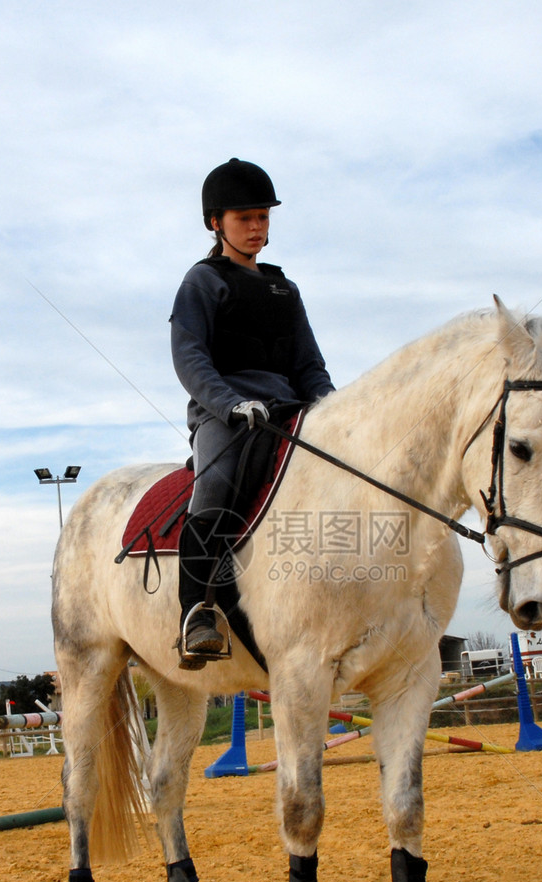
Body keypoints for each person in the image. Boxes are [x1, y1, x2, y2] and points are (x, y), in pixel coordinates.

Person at [170, 157, 335, 665]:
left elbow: (308, 363)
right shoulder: (202, 281)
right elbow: (189, 356)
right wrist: (229, 405)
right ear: (215, 222)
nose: (257, 228)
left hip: (288, 411)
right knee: (216, 487)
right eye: (246, 218)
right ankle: (198, 612)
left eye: (264, 217)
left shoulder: (285, 288)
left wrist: (333, 408)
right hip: (227, 415)